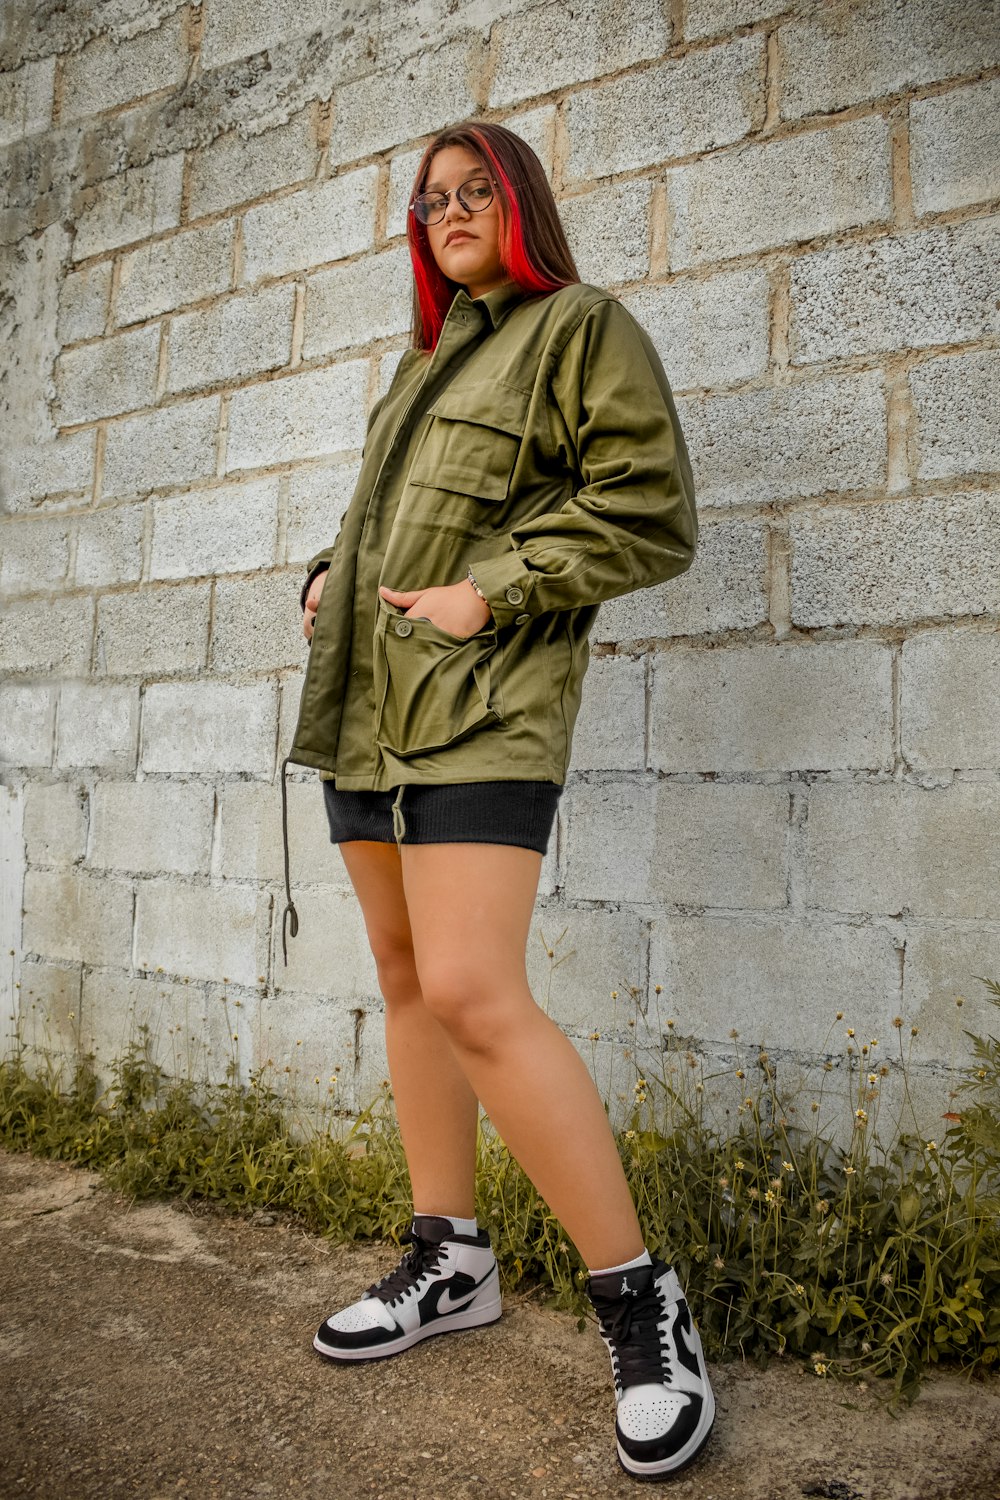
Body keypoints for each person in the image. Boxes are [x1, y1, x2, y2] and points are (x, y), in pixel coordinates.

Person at [281, 120, 714, 1480]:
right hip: (364, 707)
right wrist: (322, 573)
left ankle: (641, 1302)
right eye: (430, 200)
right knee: (407, 980)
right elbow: (395, 518)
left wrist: (499, 588)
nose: (449, 212)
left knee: (475, 991)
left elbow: (650, 509)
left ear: (518, 204)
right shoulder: (421, 366)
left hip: (481, 709)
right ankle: (450, 1258)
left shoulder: (579, 327)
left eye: (475, 191)